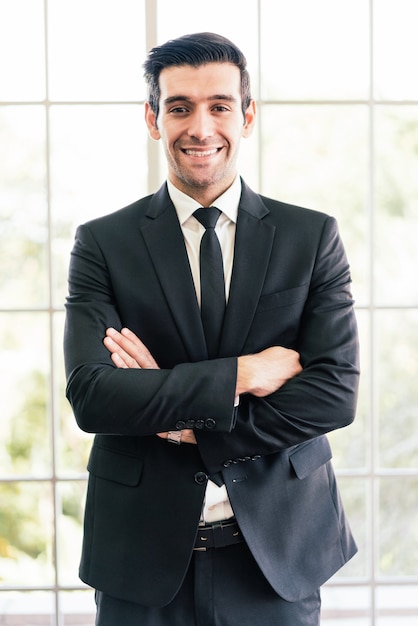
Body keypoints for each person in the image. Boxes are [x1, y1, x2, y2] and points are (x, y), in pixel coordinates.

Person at [64, 32, 360, 626]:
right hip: (140, 558)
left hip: (276, 554)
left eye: (219, 106)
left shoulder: (312, 237)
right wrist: (245, 374)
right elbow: (94, 397)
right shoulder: (102, 244)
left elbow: (333, 393)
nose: (201, 127)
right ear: (153, 119)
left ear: (246, 116)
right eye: (179, 107)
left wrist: (184, 425)